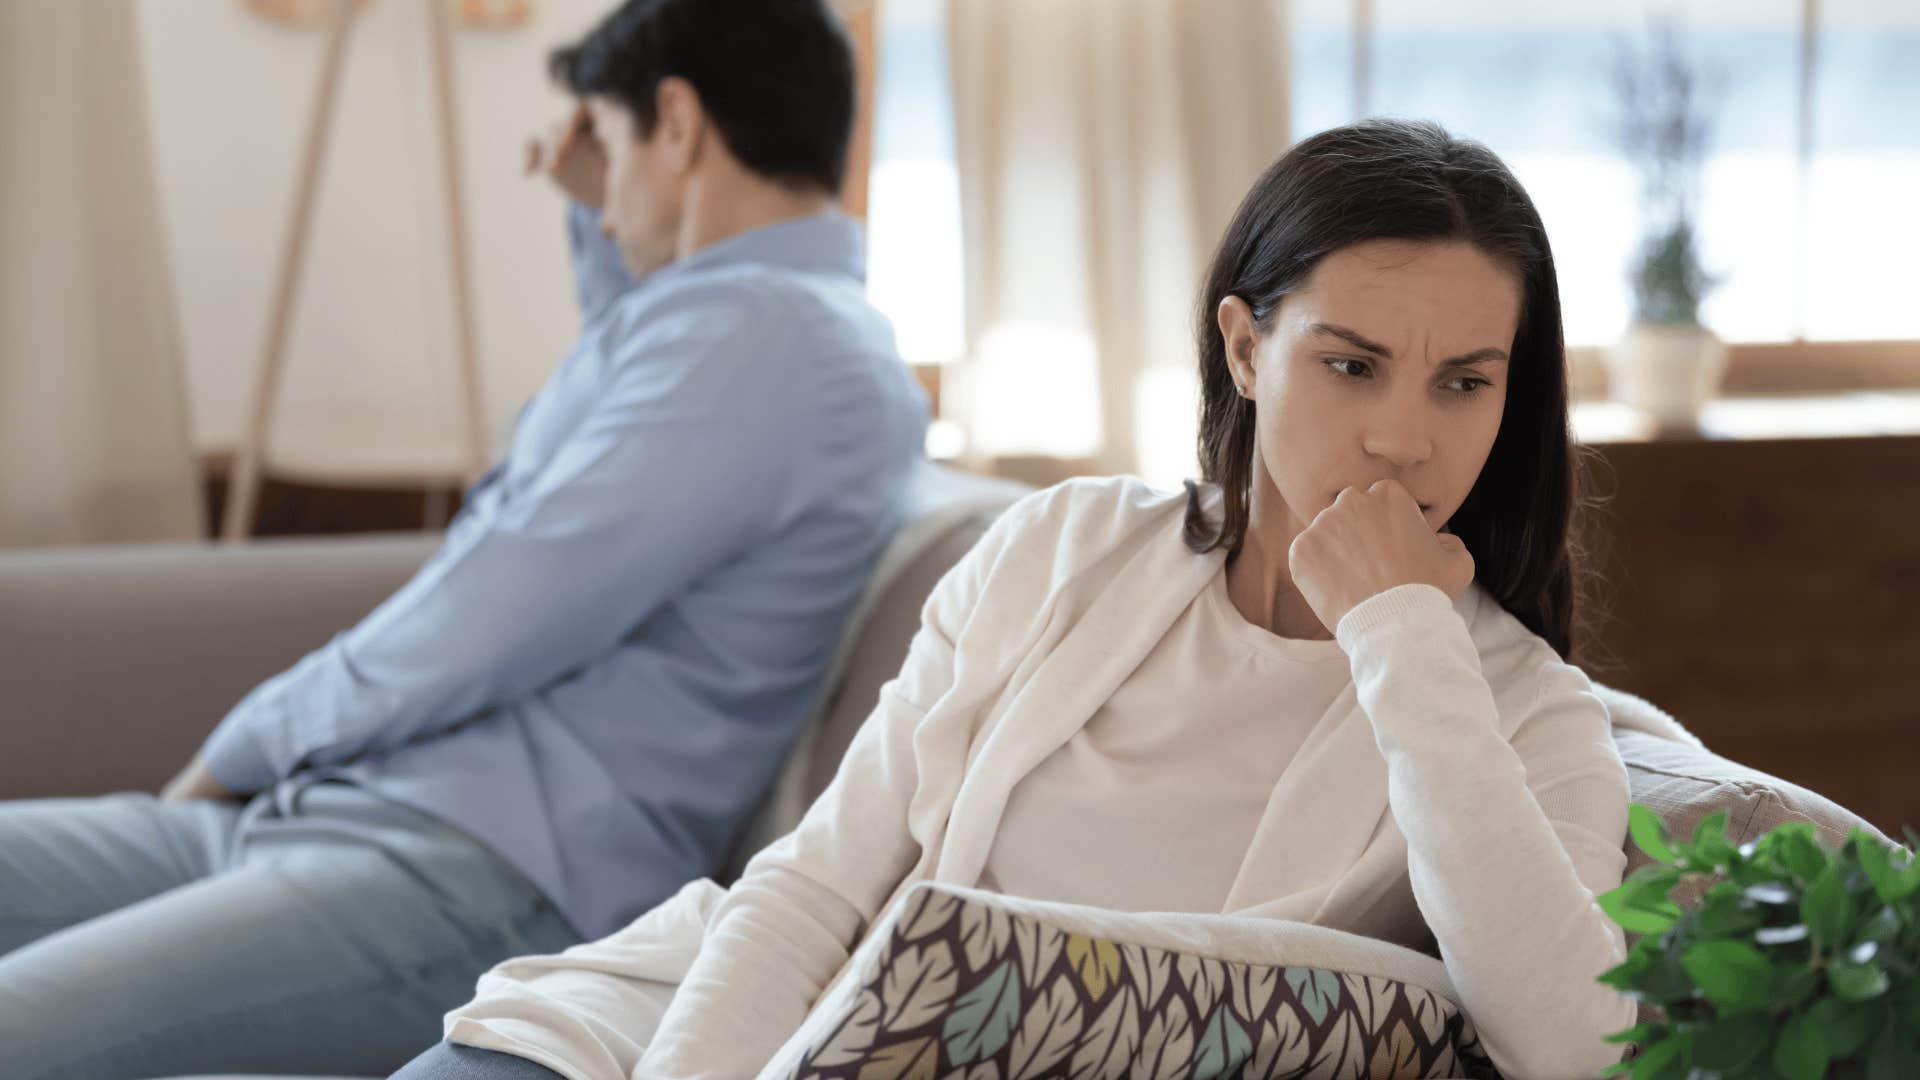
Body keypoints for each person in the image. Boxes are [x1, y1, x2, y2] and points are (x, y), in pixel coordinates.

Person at [403, 118, 1642, 1080]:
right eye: (1352, 365)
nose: (1401, 441)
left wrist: (1401, 636)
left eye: (1464, 385)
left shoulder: (1523, 716)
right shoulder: (1066, 544)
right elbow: (816, 888)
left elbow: (1578, 1049)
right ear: (1246, 349)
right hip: (699, 1030)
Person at [0, 0, 927, 1076]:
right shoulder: (740, 332)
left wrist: (242, 745)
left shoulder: (778, 343)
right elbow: (605, 405)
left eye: (611, 139)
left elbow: (496, 605)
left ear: (677, 124)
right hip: (362, 814)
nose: (603, 185)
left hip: (473, 870)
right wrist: (599, 216)